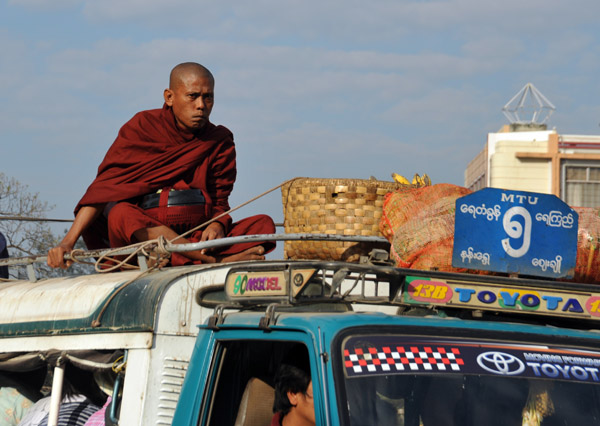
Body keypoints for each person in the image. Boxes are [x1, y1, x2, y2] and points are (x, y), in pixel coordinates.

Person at [47, 62, 275, 269]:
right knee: (120, 214)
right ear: (169, 97)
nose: (201, 106)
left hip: (196, 235)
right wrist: (67, 242)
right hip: (146, 237)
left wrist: (218, 225)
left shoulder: (218, 140)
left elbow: (220, 201)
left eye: (208, 97)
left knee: (264, 224)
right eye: (193, 96)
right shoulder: (143, 127)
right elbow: (104, 189)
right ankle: (213, 261)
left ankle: (186, 255)